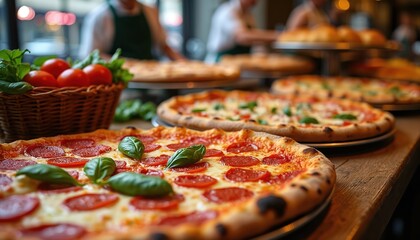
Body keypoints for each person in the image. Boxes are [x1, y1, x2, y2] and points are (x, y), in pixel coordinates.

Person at [78, 0, 184, 61]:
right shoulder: (100, 16)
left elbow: (163, 47)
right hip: (119, 81)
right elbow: (91, 55)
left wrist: (185, 63)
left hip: (149, 75)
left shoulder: (150, 11)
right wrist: (127, 63)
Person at [205, 0, 278, 63]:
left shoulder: (248, 15)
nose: (255, 1)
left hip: (237, 62)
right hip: (219, 61)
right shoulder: (228, 11)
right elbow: (242, 37)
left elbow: (255, 38)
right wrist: (276, 35)